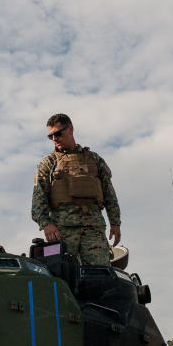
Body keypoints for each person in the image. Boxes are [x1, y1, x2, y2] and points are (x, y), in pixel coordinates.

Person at [31, 114, 121, 265]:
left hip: (94, 229)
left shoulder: (95, 160)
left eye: (58, 133)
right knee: (60, 274)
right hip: (61, 231)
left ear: (70, 129)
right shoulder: (48, 163)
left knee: (100, 275)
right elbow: (38, 199)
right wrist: (46, 224)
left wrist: (115, 223)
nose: (54, 138)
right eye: (50, 136)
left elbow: (109, 193)